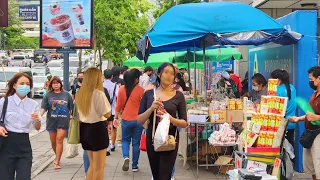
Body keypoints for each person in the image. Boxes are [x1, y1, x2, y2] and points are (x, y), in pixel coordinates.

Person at [137, 62, 188, 180]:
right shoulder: (149, 94)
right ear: (159, 74)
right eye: (166, 72)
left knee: (165, 175)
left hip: (170, 139)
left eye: (172, 73)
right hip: (152, 139)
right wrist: (151, 109)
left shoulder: (178, 95)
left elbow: (184, 122)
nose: (169, 76)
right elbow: (139, 120)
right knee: (156, 175)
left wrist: (170, 118)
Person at [0, 73, 41, 180]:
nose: (25, 86)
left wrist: (37, 119)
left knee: (24, 177)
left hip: (24, 144)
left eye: (27, 84)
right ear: (14, 85)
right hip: (7, 144)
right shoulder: (5, 101)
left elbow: (37, 127)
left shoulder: (33, 104)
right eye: (21, 83)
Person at [76, 68, 111, 180]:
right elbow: (107, 114)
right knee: (99, 168)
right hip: (97, 130)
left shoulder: (80, 94)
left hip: (84, 129)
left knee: (92, 165)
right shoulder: (98, 94)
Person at [289, 66, 320, 180]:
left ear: (319, 79)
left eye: (311, 79)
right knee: (311, 167)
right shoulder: (314, 94)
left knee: (318, 165)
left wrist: (317, 117)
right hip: (309, 133)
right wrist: (299, 118)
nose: (310, 82)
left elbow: (314, 116)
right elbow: (309, 114)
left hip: (318, 134)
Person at [114, 69, 144, 172]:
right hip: (138, 120)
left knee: (125, 140)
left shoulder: (122, 89)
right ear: (136, 79)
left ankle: (126, 157)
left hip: (126, 119)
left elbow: (118, 105)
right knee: (136, 143)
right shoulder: (141, 90)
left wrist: (115, 117)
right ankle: (134, 166)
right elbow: (144, 106)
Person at [40, 76, 73, 170]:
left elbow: (71, 108)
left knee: (59, 140)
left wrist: (71, 116)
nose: (56, 84)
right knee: (53, 142)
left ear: (60, 84)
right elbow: (43, 108)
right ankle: (57, 155)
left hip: (63, 120)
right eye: (54, 83)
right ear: (51, 84)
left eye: (57, 83)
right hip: (51, 121)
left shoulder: (66, 95)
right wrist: (38, 116)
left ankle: (57, 161)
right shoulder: (48, 95)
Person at [270, 69, 297, 147]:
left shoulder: (277, 90)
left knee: (280, 150)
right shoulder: (293, 88)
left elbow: (274, 108)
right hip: (291, 123)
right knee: (289, 149)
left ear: (278, 80)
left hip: (281, 125)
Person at [103, 69, 119, 155]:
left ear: (103, 76)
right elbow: (118, 97)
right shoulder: (115, 86)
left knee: (105, 127)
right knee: (113, 128)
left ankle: (106, 145)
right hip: (113, 110)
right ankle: (112, 144)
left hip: (103, 110)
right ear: (112, 76)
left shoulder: (101, 85)